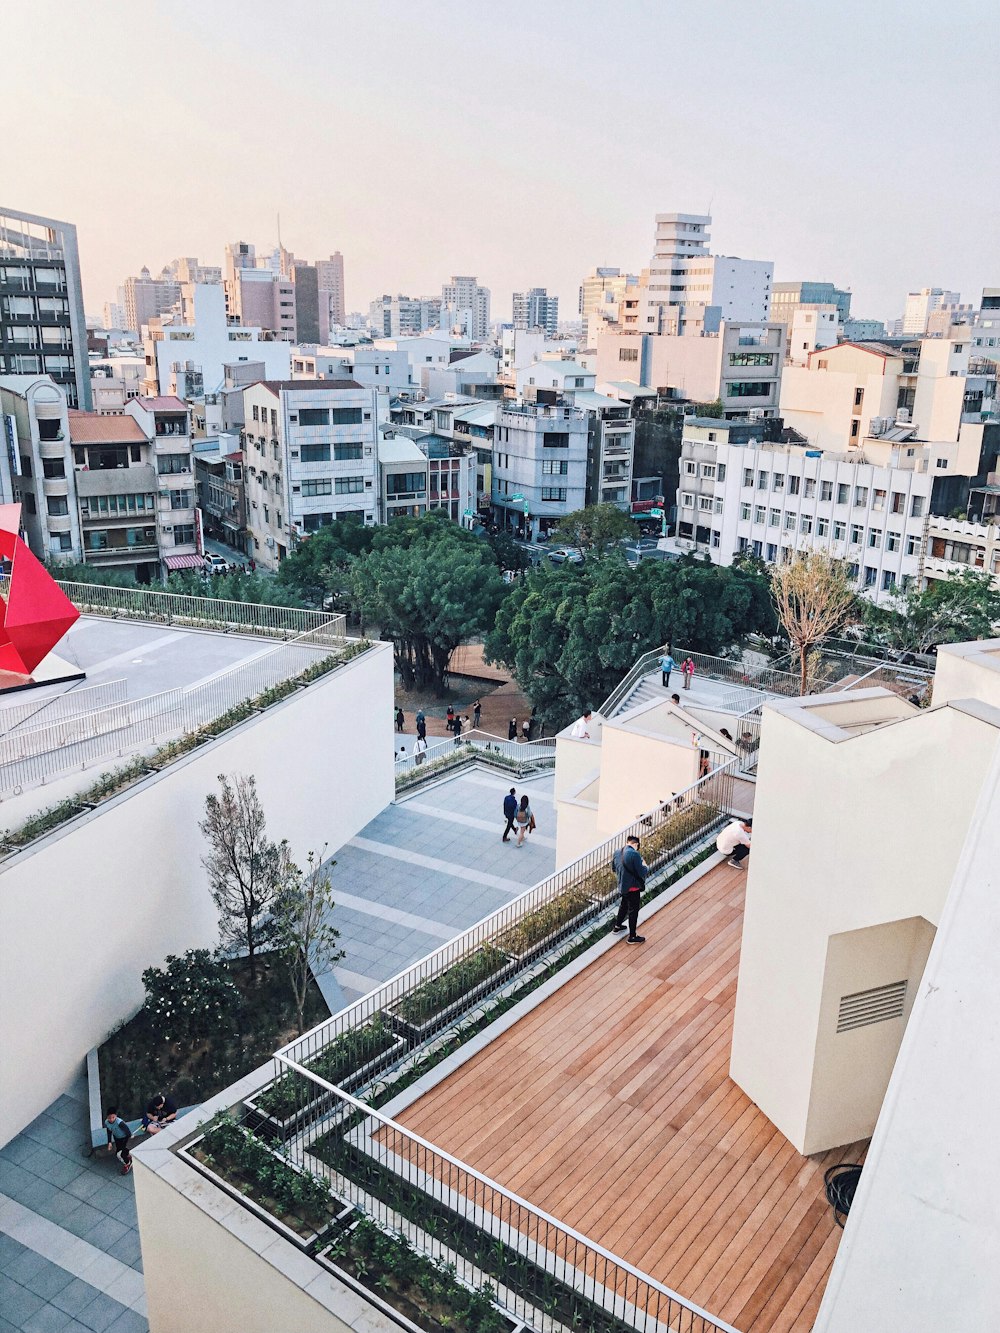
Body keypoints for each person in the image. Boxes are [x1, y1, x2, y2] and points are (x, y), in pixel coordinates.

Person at [611, 835, 649, 943]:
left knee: (624, 905)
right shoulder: (634, 854)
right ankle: (632, 936)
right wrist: (645, 866)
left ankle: (617, 927)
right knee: (633, 910)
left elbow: (614, 869)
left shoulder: (617, 852)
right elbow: (642, 872)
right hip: (633, 887)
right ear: (636, 844)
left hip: (622, 886)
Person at [104, 1108, 133, 1174]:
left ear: (116, 1116)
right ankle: (128, 1154)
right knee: (120, 1149)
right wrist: (109, 1142)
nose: (111, 1119)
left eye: (113, 1117)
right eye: (109, 1118)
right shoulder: (106, 1122)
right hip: (117, 1138)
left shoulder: (120, 1123)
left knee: (119, 1154)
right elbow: (109, 1131)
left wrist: (130, 1136)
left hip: (124, 1138)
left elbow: (127, 1132)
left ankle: (127, 1163)